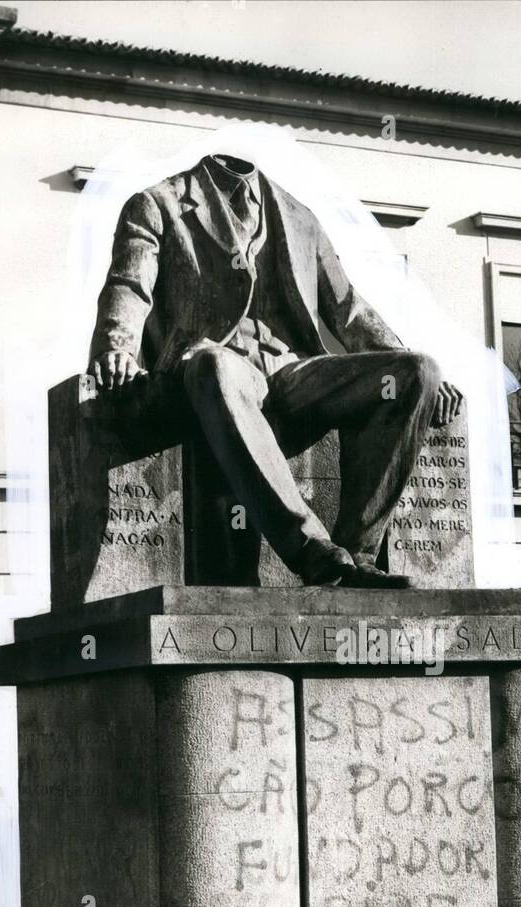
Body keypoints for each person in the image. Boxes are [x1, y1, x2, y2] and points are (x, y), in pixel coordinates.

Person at [89, 153, 463, 587]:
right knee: (215, 366)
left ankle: (357, 556)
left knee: (417, 371)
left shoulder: (298, 217)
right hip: (212, 368)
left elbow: (348, 309)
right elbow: (129, 284)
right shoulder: (159, 203)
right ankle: (312, 549)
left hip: (290, 373)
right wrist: (117, 347)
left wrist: (417, 370)